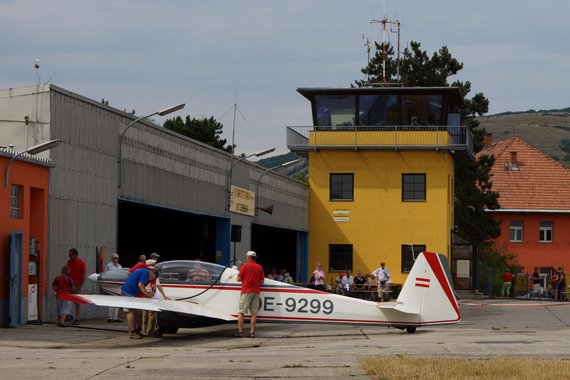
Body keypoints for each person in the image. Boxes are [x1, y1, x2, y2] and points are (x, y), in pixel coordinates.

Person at [234, 250, 265, 338]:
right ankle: (252, 332)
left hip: (246, 291)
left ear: (248, 257)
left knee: (241, 312)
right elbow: (262, 281)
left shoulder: (244, 266)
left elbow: (238, 279)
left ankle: (240, 332)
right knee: (254, 313)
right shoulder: (260, 267)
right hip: (256, 292)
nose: (246, 258)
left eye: (246, 257)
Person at [121, 266, 157, 339]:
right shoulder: (146, 273)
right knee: (131, 311)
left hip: (130, 291)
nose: (152, 280)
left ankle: (137, 330)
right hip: (128, 292)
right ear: (153, 273)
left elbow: (140, 288)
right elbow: (140, 285)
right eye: (153, 278)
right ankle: (132, 332)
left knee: (137, 311)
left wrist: (146, 295)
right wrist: (148, 294)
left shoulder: (144, 272)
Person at [66, 248, 86, 325]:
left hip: (77, 285)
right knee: (66, 301)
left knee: (77, 303)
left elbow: (83, 276)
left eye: (70, 255)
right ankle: (66, 315)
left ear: (75, 255)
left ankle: (77, 318)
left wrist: (79, 287)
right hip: (69, 285)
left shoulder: (81, 263)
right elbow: (67, 271)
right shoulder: (69, 262)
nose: (69, 257)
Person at [105, 253, 123, 322]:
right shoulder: (109, 266)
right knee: (110, 301)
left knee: (117, 301)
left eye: (117, 258)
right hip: (111, 285)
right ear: (111, 258)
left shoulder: (119, 266)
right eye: (114, 258)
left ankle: (115, 317)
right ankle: (110, 317)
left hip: (118, 286)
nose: (116, 259)